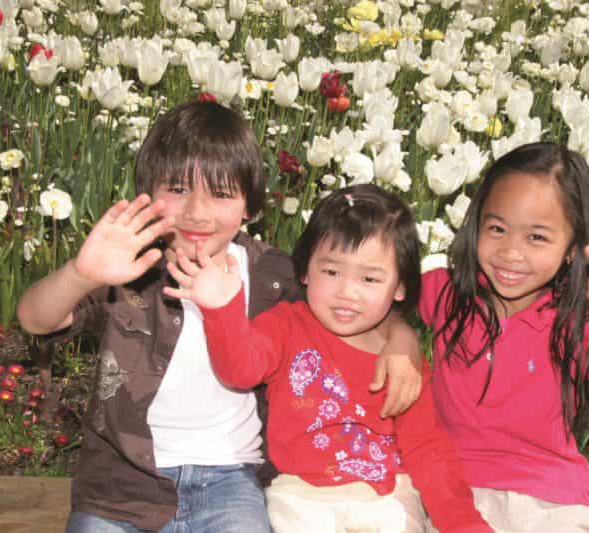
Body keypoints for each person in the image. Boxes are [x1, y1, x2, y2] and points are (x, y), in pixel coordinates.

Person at [16, 102, 422, 533]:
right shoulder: (128, 268)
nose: (197, 211)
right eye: (177, 188)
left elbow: (350, 308)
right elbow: (34, 320)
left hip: (231, 480)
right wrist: (80, 275)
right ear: (148, 191)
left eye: (221, 193)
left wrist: (402, 342)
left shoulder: (274, 278)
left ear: (249, 204)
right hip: (121, 485)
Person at [164, 184, 494, 533]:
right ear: (305, 271)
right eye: (331, 272)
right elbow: (239, 371)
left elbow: (428, 450)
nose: (346, 292)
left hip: (386, 496)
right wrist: (222, 309)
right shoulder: (285, 326)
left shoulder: (402, 362)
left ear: (399, 286)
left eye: (369, 278)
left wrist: (464, 524)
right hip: (300, 496)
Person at [419, 142, 589, 533]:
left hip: (548, 500)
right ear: (476, 226)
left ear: (572, 250)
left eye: (537, 237)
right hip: (447, 489)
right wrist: (399, 346)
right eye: (497, 229)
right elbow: (374, 314)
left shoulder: (575, 322)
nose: (511, 252)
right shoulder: (444, 294)